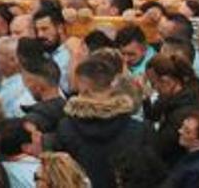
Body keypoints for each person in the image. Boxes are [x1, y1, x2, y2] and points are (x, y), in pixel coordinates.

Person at [53, 55, 149, 188]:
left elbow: (61, 176)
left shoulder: (65, 128)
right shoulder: (138, 129)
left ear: (83, 89)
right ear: (111, 85)